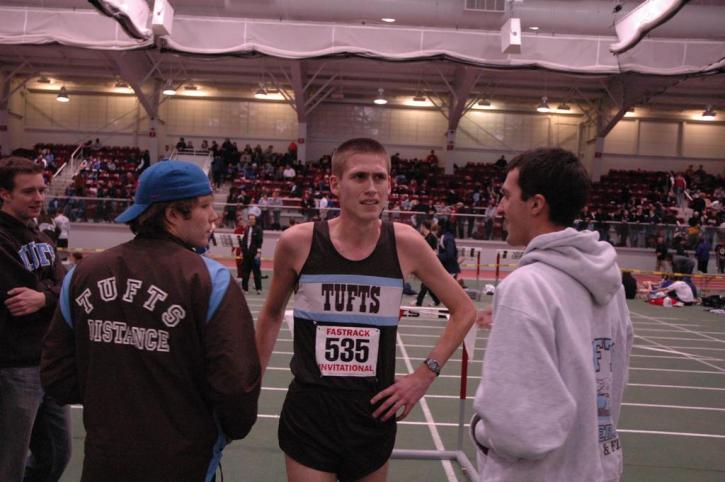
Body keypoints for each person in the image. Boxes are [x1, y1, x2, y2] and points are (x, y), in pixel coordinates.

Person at [255, 138, 476, 482]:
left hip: (372, 413)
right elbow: (270, 314)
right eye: (359, 177)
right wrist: (251, 384)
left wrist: (424, 375)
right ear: (334, 184)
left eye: (380, 178)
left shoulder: (406, 244)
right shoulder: (298, 243)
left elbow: (464, 309)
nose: (372, 188)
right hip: (311, 411)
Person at [40, 160, 261, 481]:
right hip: (185, 457)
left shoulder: (83, 274)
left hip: (105, 456)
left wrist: (113, 405)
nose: (214, 216)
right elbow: (236, 385)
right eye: (205, 206)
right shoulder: (208, 278)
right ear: (172, 214)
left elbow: (56, 375)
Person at [471, 148, 633, 481]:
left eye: (506, 196)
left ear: (535, 204)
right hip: (595, 468)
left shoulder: (526, 286)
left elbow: (517, 426)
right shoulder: (610, 283)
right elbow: (614, 381)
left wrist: (481, 432)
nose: (500, 208)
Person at [0, 156, 71, 482]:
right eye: (29, 192)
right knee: (9, 460)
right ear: (4, 194)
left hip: (49, 363)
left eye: (41, 190)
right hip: (13, 366)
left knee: (57, 454)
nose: (39, 198)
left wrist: (44, 297)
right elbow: (18, 296)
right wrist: (52, 293)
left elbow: (67, 287)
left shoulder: (40, 237)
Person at [415, 220, 440, 307]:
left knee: (425, 284)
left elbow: (434, 252)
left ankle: (418, 303)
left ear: (423, 226)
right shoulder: (426, 238)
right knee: (428, 285)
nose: (420, 228)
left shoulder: (432, 238)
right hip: (425, 264)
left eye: (421, 226)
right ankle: (436, 300)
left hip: (430, 264)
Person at [240, 213, 263, 294]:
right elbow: (244, 241)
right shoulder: (246, 229)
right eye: (250, 219)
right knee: (245, 271)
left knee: (256, 272)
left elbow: (260, 241)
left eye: (253, 219)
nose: (251, 221)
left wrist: (258, 252)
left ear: (255, 220)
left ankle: (258, 289)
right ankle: (244, 289)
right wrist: (242, 252)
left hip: (255, 254)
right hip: (246, 253)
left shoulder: (258, 229)